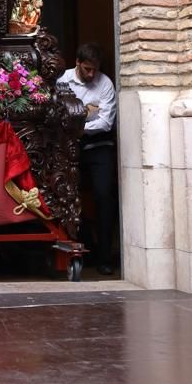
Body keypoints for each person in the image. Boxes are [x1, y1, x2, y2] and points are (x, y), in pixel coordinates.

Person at [57, 42, 117, 275]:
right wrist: (88, 112)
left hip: (100, 147)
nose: (92, 74)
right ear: (78, 63)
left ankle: (104, 257)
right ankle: (79, 248)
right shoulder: (62, 80)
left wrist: (78, 123)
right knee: (66, 196)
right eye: (87, 69)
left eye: (95, 69)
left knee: (104, 196)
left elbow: (106, 122)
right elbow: (60, 115)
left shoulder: (105, 84)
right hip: (70, 147)